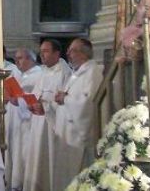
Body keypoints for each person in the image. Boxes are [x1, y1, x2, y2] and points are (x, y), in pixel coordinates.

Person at [52, 38, 104, 191]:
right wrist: (61, 99)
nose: (68, 53)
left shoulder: (93, 72)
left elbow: (89, 103)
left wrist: (65, 99)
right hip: (66, 136)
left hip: (77, 136)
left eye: (72, 50)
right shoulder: (77, 73)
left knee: (77, 177)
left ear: (84, 54)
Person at [24, 39, 71, 191]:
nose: (42, 55)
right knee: (36, 160)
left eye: (46, 51)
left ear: (57, 53)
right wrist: (32, 103)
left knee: (49, 160)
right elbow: (37, 94)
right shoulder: (44, 71)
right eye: (41, 51)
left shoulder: (65, 73)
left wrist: (46, 107)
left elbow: (66, 101)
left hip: (51, 126)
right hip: (38, 123)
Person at [7, 48, 43, 190]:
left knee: (26, 154)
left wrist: (18, 100)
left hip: (30, 122)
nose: (16, 61)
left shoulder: (38, 75)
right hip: (18, 121)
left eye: (20, 58)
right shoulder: (21, 75)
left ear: (30, 59)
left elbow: (36, 97)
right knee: (17, 152)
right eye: (15, 58)